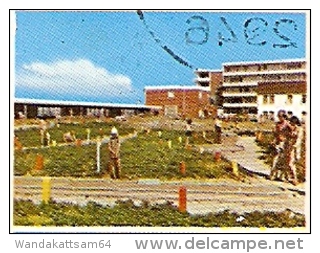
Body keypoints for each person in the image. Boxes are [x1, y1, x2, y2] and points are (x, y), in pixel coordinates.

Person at [269, 110, 290, 181]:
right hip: (278, 143)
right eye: (279, 116)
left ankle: (283, 176)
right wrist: (273, 140)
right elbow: (275, 134)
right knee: (275, 159)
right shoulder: (277, 124)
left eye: (281, 116)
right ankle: (273, 175)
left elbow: (292, 132)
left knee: (284, 160)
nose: (280, 118)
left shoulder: (287, 124)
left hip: (285, 143)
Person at [283, 116, 303, 185]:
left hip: (294, 149)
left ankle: (295, 178)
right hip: (287, 146)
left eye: (292, 123)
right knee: (286, 162)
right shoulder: (289, 128)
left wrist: (294, 145)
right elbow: (284, 134)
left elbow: (299, 139)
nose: (291, 124)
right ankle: (287, 177)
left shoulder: (299, 129)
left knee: (291, 163)